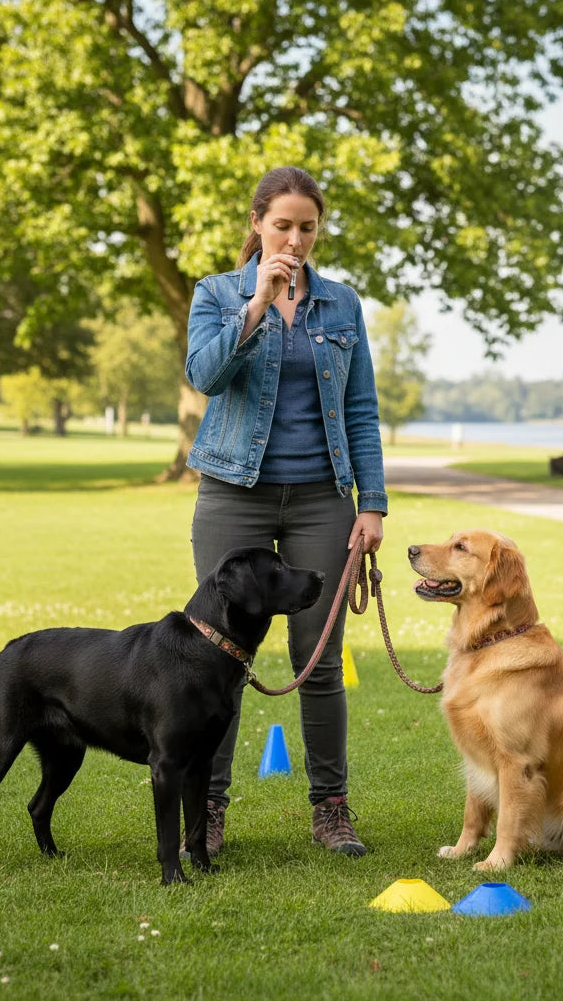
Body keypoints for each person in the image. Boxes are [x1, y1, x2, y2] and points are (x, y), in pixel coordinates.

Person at [183, 166, 386, 857]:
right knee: (216, 658)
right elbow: (204, 376)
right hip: (232, 496)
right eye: (282, 226)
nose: (295, 239)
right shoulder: (217, 293)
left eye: (307, 227)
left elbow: (360, 411)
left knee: (318, 659)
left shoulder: (342, 306)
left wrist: (372, 504)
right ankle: (206, 809)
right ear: (258, 224)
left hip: (320, 501)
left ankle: (331, 808)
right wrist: (258, 306)